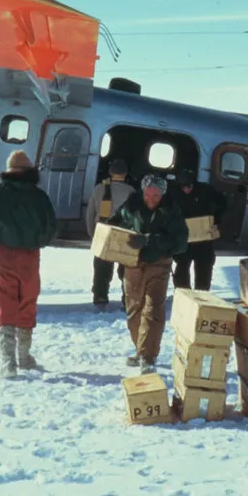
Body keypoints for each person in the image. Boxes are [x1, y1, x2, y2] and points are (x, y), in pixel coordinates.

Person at [0, 150, 59, 379]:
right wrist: (38, 242)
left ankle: (8, 362)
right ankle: (24, 356)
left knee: (5, 302)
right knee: (27, 300)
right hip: (30, 256)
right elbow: (51, 226)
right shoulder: (40, 196)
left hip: (3, 253)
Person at [107, 174, 189, 374]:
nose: (151, 199)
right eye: (148, 194)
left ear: (163, 194)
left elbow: (180, 243)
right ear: (142, 192)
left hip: (159, 263)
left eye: (156, 195)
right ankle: (140, 349)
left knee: (153, 308)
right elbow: (116, 222)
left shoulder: (172, 211)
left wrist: (150, 240)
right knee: (134, 308)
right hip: (133, 263)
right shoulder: (131, 206)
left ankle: (147, 356)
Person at [85, 158, 136, 311]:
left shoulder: (99, 188)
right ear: (125, 174)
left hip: (103, 231)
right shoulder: (131, 191)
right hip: (123, 233)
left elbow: (90, 213)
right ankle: (127, 300)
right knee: (125, 270)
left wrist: (92, 233)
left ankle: (100, 298)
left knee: (101, 268)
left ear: (110, 172)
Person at [171, 168, 227, 292]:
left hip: (203, 238)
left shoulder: (205, 190)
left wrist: (215, 218)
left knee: (204, 270)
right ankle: (184, 296)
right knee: (181, 270)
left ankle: (202, 298)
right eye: (183, 187)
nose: (186, 189)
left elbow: (223, 202)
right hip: (184, 238)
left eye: (189, 186)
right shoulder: (174, 194)